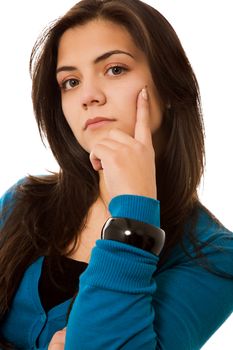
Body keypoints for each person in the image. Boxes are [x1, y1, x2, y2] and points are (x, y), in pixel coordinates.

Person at [0, 0, 232, 349]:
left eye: (115, 69)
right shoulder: (23, 202)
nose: (88, 96)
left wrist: (134, 214)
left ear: (168, 85)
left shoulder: (214, 256)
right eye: (71, 81)